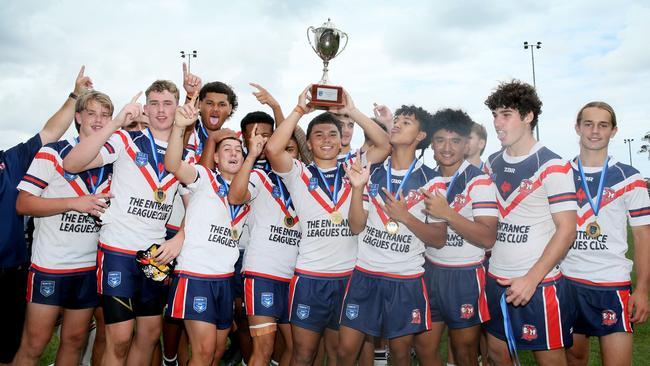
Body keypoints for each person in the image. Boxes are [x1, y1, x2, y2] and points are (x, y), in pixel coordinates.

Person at [63, 80, 189, 365]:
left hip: (155, 255)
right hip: (118, 251)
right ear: (145, 108)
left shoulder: (185, 153)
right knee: (118, 339)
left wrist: (180, 237)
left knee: (148, 335)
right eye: (154, 103)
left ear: (177, 108)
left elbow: (196, 207)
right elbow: (72, 164)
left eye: (167, 103)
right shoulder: (124, 140)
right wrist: (117, 122)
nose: (160, 110)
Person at [265, 86, 389, 366]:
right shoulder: (299, 173)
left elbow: (383, 144)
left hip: (348, 277)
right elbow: (273, 148)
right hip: (310, 277)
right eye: (318, 135)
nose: (326, 139)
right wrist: (299, 111)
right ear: (308, 143)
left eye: (332, 133)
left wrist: (352, 111)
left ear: (342, 138)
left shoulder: (354, 166)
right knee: (303, 354)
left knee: (338, 354)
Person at [337, 105, 446, 366]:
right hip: (365, 274)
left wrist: (405, 217)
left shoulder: (432, 180)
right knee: (345, 351)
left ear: (420, 136)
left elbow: (438, 239)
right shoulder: (371, 170)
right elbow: (355, 226)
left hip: (405, 278)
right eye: (396, 120)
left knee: (399, 355)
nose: (397, 125)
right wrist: (356, 188)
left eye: (406, 122)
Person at [13, 91, 114, 365]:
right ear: (78, 117)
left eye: (105, 115)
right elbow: (23, 204)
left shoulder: (112, 161)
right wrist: (74, 202)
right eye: (92, 113)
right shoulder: (52, 153)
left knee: (74, 341)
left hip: (89, 268)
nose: (98, 120)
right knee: (35, 344)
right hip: (51, 266)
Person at [482, 80, 577, 366]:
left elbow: (567, 229)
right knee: (498, 356)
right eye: (495, 115)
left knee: (549, 360)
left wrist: (531, 279)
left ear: (528, 116)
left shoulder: (553, 165)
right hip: (496, 278)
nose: (498, 123)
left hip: (538, 284)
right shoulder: (492, 161)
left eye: (506, 114)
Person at [0, 66, 90, 365]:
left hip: (9, 273)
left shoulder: (9, 161)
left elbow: (51, 132)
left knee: (10, 350)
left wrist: (76, 95)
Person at [163, 96, 252, 365]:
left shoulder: (250, 190)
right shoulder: (204, 178)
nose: (234, 153)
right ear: (214, 156)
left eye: (238, 149)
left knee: (214, 352)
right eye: (227, 149)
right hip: (196, 276)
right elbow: (173, 165)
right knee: (202, 352)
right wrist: (179, 128)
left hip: (225, 279)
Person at [562, 101, 650, 366]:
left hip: (612, 283)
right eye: (588, 124)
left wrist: (643, 290)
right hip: (567, 281)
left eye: (603, 125)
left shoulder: (629, 177)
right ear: (577, 128)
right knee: (575, 360)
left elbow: (643, 236)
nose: (595, 131)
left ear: (614, 131)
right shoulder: (560, 175)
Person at [416, 109, 498, 366]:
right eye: (440, 140)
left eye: (455, 141)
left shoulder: (480, 181)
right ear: (432, 145)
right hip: (429, 271)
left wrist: (448, 214)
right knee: (423, 348)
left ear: (466, 145)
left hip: (465, 275)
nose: (447, 147)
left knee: (464, 352)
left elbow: (487, 238)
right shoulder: (427, 181)